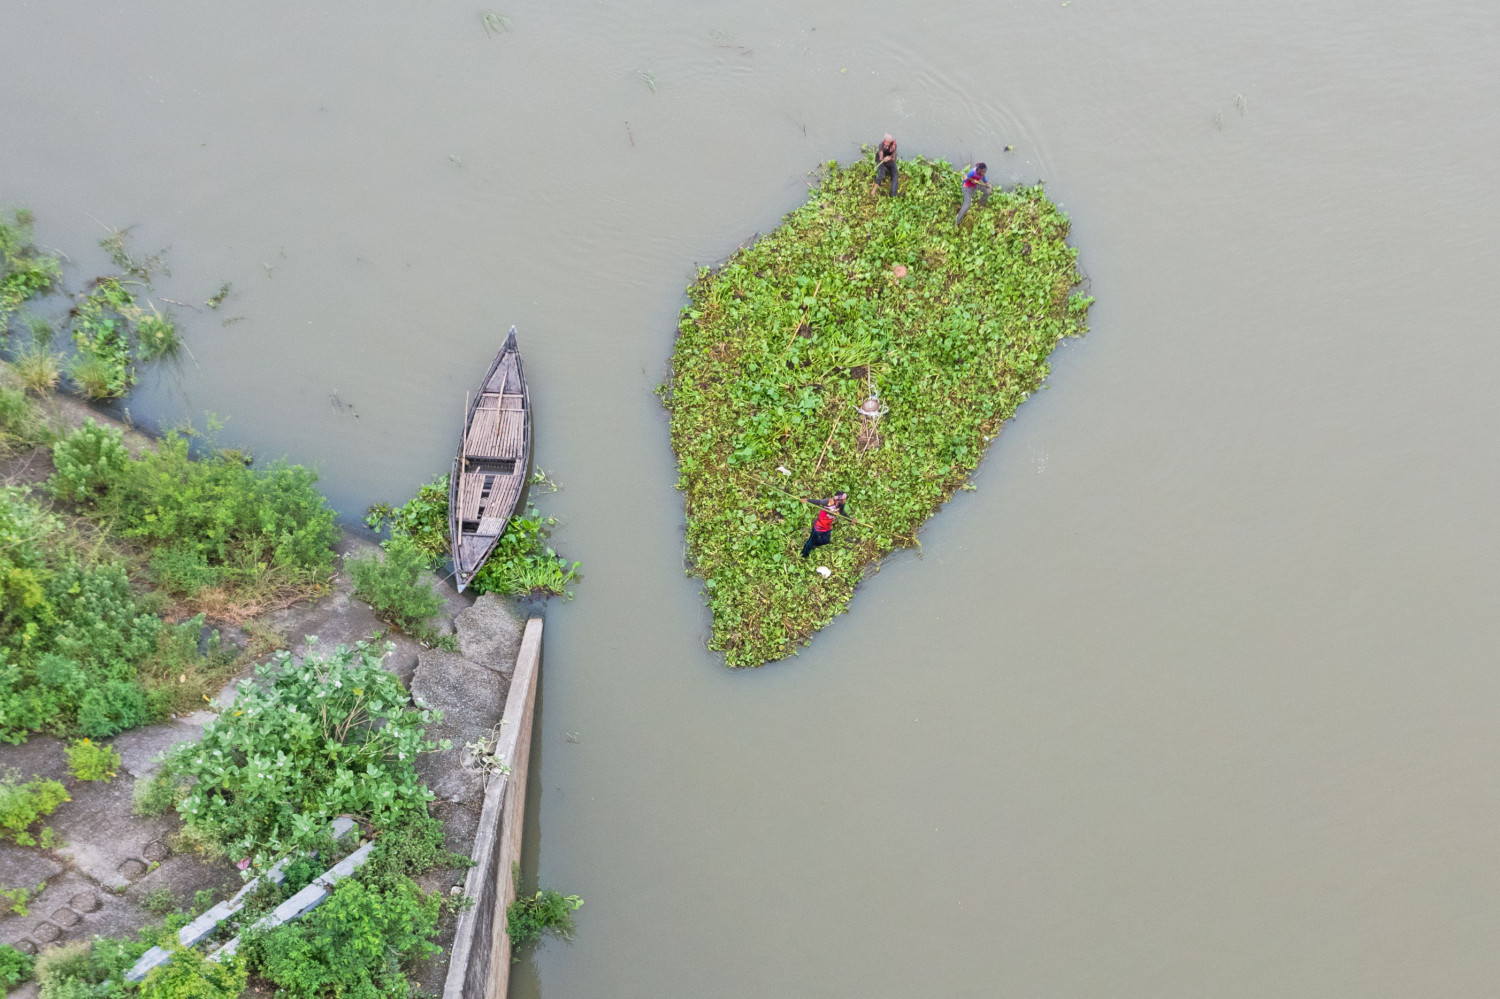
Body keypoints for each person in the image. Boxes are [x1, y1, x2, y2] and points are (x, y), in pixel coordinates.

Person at [800, 492, 848, 559]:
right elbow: (818, 502)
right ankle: (803, 555)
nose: (844, 501)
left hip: (827, 527)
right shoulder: (828, 502)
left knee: (826, 540)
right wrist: (807, 500)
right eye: (843, 500)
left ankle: (814, 544)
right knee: (810, 541)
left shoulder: (840, 506)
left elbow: (842, 512)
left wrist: (851, 520)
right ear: (838, 499)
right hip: (818, 526)